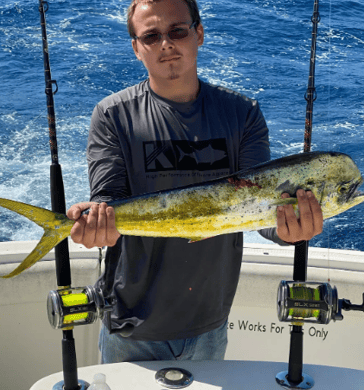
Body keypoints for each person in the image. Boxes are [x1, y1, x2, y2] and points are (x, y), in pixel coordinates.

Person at [67, 0, 323, 363]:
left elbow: (264, 210)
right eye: (151, 36)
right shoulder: (112, 115)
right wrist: (97, 225)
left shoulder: (243, 114)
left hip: (210, 324)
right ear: (136, 47)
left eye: (177, 31)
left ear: (198, 33)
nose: (166, 44)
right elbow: (109, 200)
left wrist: (290, 229)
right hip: (132, 325)